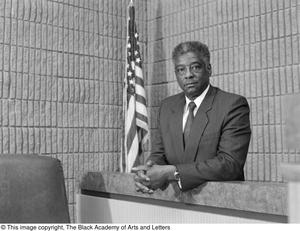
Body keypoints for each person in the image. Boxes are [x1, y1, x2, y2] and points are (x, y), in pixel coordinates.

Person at [133, 41, 251, 193]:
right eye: (181, 70)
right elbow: (159, 154)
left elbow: (230, 164)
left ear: (209, 69)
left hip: (219, 203)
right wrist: (147, 172)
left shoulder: (232, 105)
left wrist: (173, 172)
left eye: (195, 67)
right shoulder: (167, 107)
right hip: (175, 204)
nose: (188, 75)